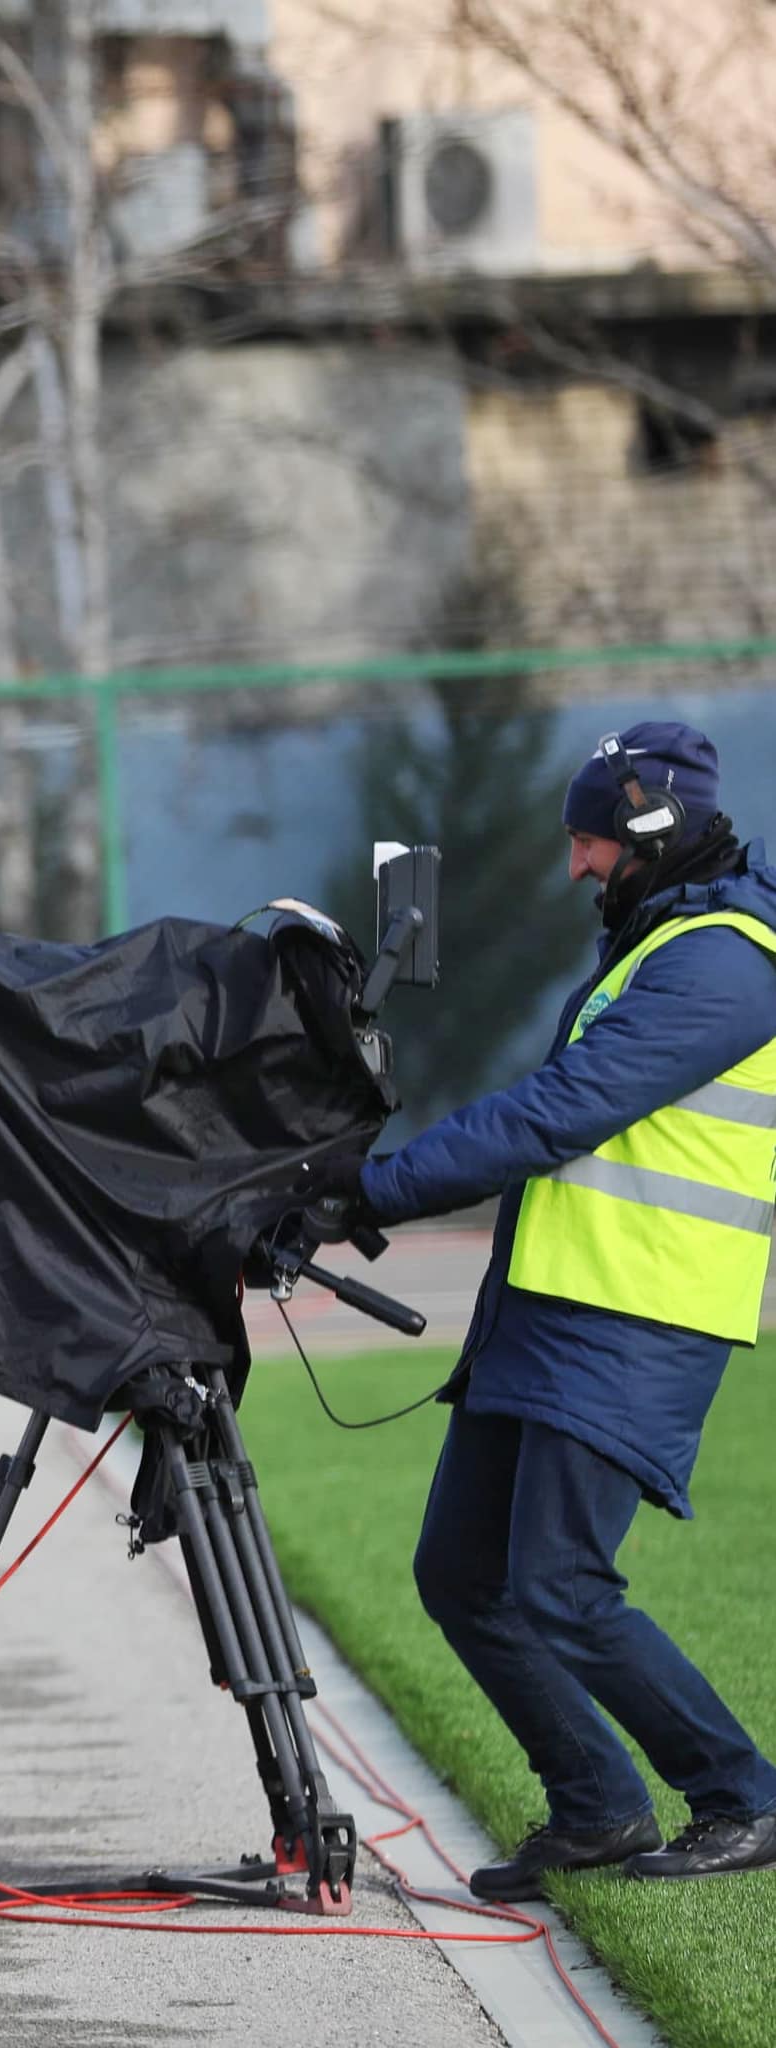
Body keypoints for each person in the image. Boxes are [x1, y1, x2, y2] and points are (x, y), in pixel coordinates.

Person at [351, 721, 776, 1900]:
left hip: (636, 1320)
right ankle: (595, 1806)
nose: (576, 863)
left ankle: (743, 1793)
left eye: (589, 839)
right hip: (552, 1312)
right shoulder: (656, 943)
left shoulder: (725, 962)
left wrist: (368, 1189)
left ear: (650, 831)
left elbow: (555, 1113)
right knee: (460, 1573)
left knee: (558, 1585)